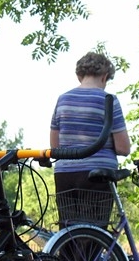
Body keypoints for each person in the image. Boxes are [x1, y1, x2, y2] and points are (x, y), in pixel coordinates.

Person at [49, 52, 131, 220]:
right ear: (105, 77)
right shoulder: (109, 100)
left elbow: (55, 147)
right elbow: (123, 148)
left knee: (70, 231)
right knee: (94, 231)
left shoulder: (63, 100)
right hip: (98, 174)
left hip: (65, 174)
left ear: (79, 76)